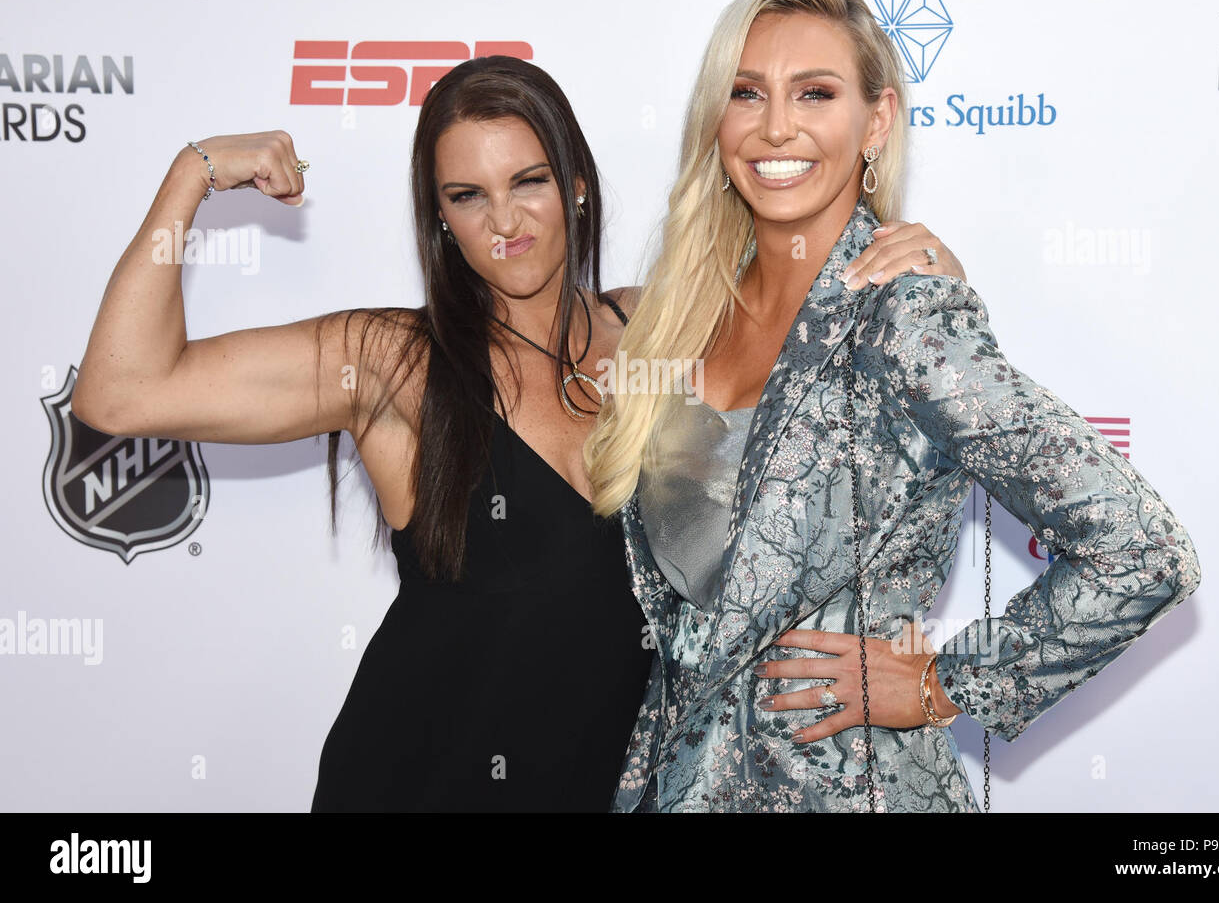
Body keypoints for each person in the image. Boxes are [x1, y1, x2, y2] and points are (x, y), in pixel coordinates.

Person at [68, 54, 968, 811]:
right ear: (441, 219)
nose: (504, 224)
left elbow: (851, 352)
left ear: (576, 185)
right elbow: (120, 393)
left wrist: (933, 272)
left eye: (528, 182)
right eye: (467, 196)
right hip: (414, 782)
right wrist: (194, 173)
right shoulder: (392, 362)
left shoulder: (670, 329)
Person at [584, 0, 1202, 812]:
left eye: (816, 93)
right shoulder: (676, 318)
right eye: (746, 92)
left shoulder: (906, 316)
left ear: (876, 121)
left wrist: (948, 684)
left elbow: (1143, 549)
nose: (776, 126)